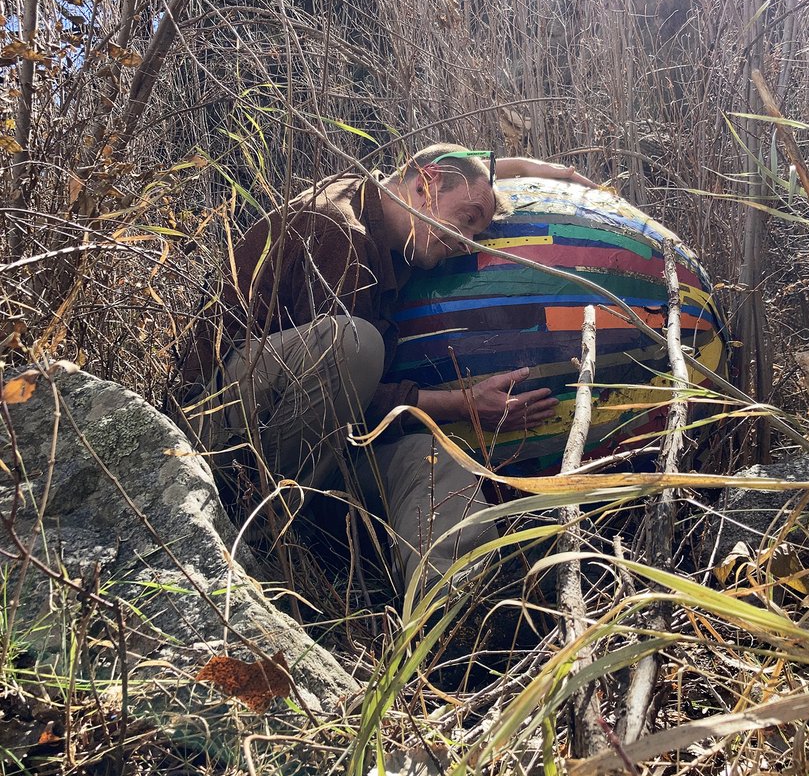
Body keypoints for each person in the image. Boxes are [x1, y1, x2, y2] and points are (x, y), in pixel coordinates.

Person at [179, 144, 592, 596]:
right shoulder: (339, 227)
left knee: (433, 465)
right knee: (353, 343)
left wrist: (540, 169)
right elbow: (343, 378)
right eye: (469, 219)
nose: (467, 241)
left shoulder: (394, 235)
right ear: (426, 182)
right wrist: (463, 405)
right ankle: (250, 542)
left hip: (310, 454)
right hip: (221, 433)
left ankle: (451, 625)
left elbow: (462, 168)